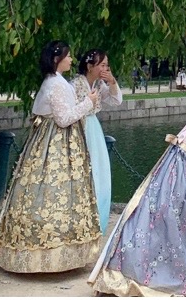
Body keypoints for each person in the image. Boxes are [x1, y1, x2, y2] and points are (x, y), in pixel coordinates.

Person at [89, 81, 186, 295]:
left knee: (166, 219)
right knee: (182, 221)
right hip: (185, 176)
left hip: (175, 169)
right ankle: (183, 270)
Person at [0, 40, 101, 273]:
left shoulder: (55, 82)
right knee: (54, 192)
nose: (72, 60)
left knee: (45, 193)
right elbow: (63, 119)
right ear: (56, 60)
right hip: (56, 144)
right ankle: (47, 255)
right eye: (68, 57)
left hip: (53, 140)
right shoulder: (56, 85)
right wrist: (88, 103)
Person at [72, 49, 124, 234]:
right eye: (102, 65)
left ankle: (97, 217)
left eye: (106, 65)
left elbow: (116, 100)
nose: (105, 68)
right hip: (79, 127)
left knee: (99, 171)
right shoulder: (76, 84)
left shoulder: (100, 85)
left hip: (93, 127)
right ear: (89, 66)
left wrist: (112, 82)